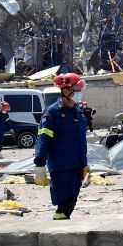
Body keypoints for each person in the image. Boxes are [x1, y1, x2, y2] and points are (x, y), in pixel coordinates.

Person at [34, 73, 89, 220]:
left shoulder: (77, 112)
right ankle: (58, 231)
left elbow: (81, 141)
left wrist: (84, 164)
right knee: (63, 204)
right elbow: (43, 139)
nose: (80, 93)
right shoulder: (52, 113)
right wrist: (39, 164)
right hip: (61, 167)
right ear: (66, 91)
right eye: (77, 90)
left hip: (77, 166)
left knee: (71, 201)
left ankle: (62, 227)